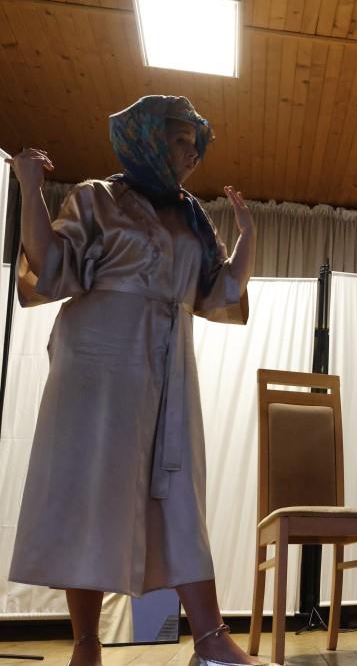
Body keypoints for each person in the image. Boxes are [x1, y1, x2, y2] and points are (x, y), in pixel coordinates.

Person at [6, 96, 273, 666]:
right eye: (181, 141)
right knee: (90, 491)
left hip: (168, 358)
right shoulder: (98, 198)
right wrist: (30, 188)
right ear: (148, 138)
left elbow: (217, 292)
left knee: (179, 492)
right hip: (98, 357)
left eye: (197, 146)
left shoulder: (192, 215)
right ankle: (87, 644)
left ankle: (210, 638)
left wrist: (247, 237)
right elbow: (50, 266)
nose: (192, 154)